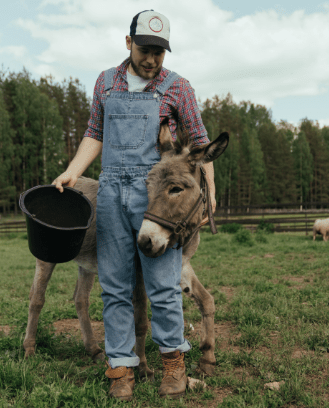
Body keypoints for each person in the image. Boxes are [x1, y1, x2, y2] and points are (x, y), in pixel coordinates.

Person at [52, 10, 215, 401]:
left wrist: (210, 195)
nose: (152, 60)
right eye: (145, 50)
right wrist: (72, 172)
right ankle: (121, 369)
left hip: (156, 199)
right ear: (129, 43)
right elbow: (95, 132)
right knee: (115, 287)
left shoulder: (178, 88)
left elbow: (201, 143)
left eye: (160, 52)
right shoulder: (106, 82)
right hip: (110, 193)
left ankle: (174, 367)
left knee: (163, 288)